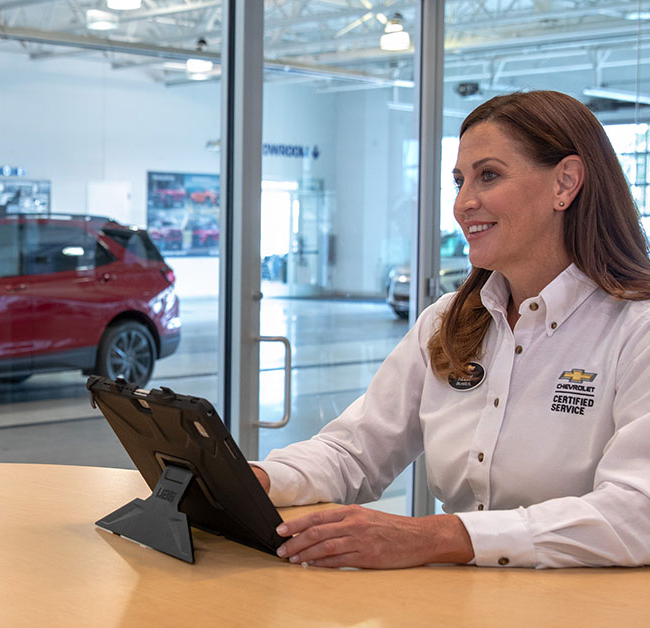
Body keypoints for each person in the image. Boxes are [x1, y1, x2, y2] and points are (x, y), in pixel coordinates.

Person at [251, 90, 650, 569]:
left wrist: (439, 535)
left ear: (565, 183)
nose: (463, 204)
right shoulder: (447, 321)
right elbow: (356, 451)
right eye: (459, 180)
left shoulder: (636, 328)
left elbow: (636, 512)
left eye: (489, 175)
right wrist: (260, 479)